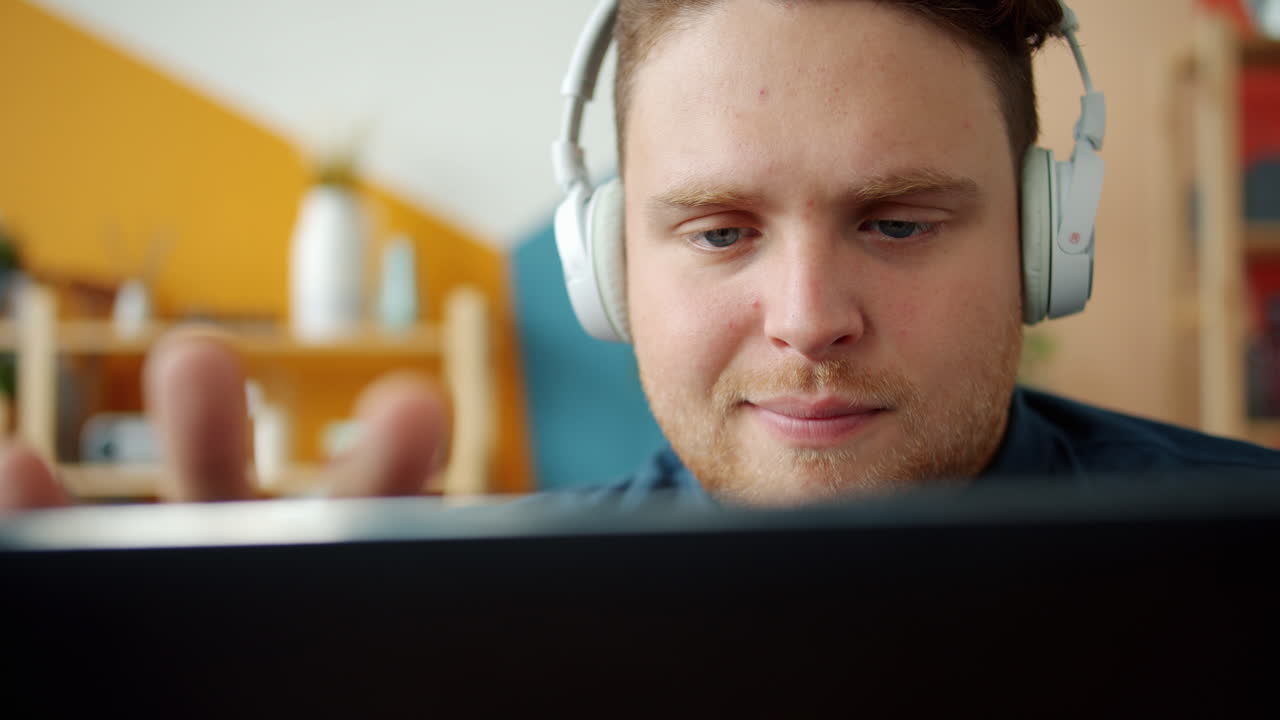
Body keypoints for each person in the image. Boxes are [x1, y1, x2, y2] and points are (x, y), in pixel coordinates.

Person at [2, 0, 1278, 514]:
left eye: (896, 222)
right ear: (605, 267)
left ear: (1044, 246)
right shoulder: (473, 653)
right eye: (719, 231)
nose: (807, 319)